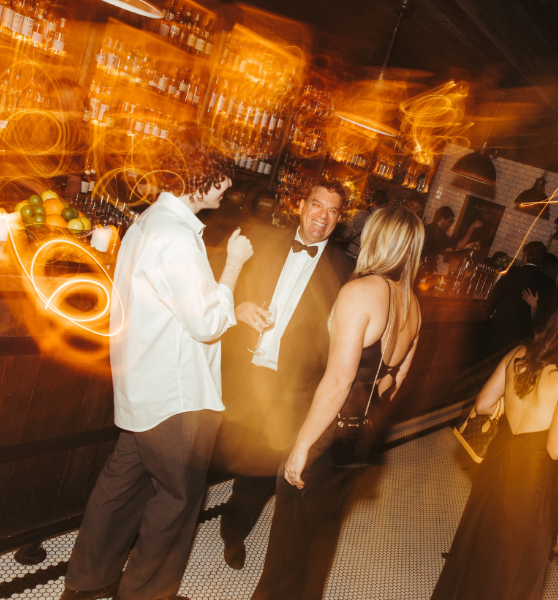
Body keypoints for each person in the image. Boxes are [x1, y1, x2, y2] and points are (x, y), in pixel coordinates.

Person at [61, 129, 253, 600]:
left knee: (121, 487)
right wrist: (234, 265)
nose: (228, 186)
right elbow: (206, 322)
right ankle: (146, 594)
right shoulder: (176, 236)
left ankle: (86, 583)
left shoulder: (150, 222)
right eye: (222, 177)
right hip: (175, 395)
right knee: (178, 499)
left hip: (144, 386)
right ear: (199, 176)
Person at [251, 206, 424, 600]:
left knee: (291, 534)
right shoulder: (413, 304)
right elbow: (394, 381)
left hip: (331, 429)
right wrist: (366, 405)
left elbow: (338, 380)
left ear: (375, 238)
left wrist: (302, 446)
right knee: (321, 531)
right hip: (363, 430)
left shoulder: (360, 292)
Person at [431, 293, 558, 600]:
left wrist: (520, 406)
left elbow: (484, 405)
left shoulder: (520, 351)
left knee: (479, 536)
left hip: (497, 457)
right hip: (530, 473)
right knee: (517, 557)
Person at [213, 180, 352, 571]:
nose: (323, 216)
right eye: (317, 205)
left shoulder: (345, 270)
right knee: (201, 455)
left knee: (257, 474)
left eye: (333, 210)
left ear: (339, 219)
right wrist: (237, 306)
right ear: (302, 205)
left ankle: (234, 531)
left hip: (286, 390)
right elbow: (215, 277)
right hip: (235, 371)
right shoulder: (261, 238)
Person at [484, 241, 556, 358]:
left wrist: (491, 315)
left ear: (525, 255)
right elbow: (545, 317)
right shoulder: (549, 284)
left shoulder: (512, 272)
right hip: (521, 339)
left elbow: (493, 297)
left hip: (499, 331)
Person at [343, 189, 388, 260]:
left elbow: (346, 234)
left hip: (350, 252)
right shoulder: (383, 221)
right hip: (365, 258)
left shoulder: (359, 213)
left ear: (371, 200)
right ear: (384, 204)